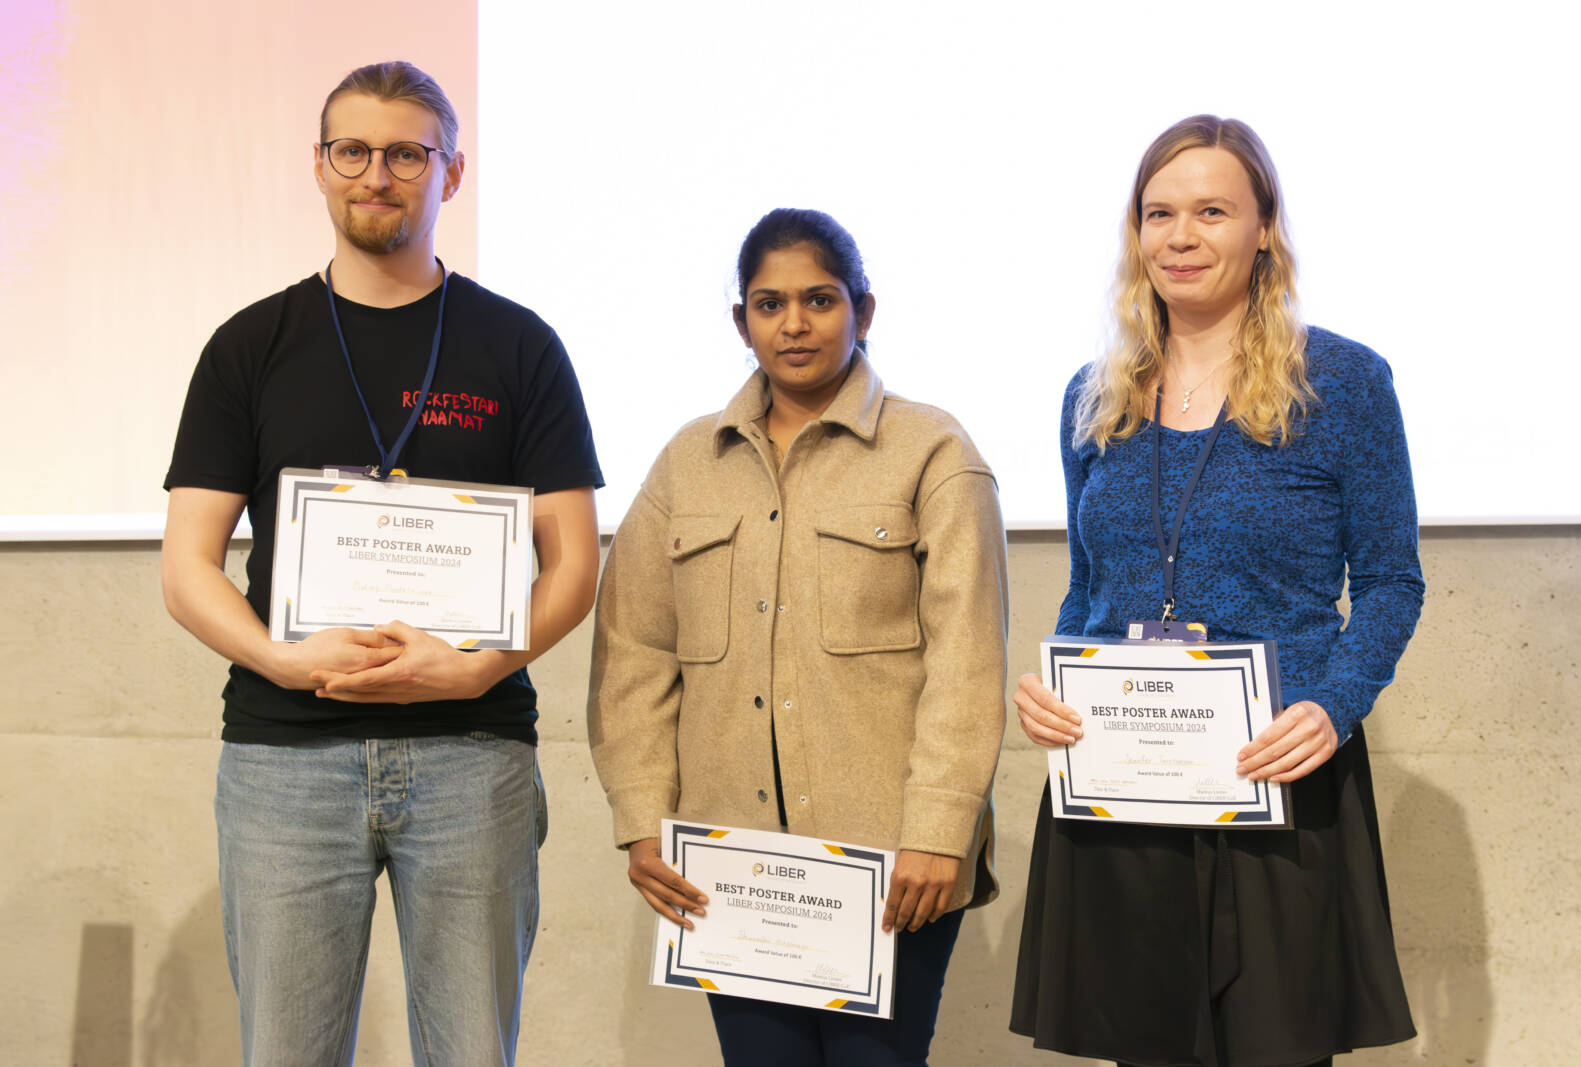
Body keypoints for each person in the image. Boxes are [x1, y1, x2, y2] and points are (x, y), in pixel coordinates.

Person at [161, 61, 603, 1065]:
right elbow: (188, 567)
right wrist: (282, 657)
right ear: (319, 167)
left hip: (472, 749)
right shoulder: (250, 345)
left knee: (471, 1052)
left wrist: (480, 662)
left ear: (450, 174)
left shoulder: (520, 346)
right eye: (353, 150)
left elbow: (572, 564)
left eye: (408, 151)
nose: (378, 174)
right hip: (285, 756)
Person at [1009, 115, 1423, 1067]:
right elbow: (1090, 587)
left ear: (1265, 228)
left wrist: (1335, 703)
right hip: (1126, 794)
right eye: (1160, 213)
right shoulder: (1093, 394)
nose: (1181, 236)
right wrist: (1056, 684)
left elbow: (1394, 581)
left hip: (1276, 787)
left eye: (1211, 211)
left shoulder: (1344, 383)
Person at [586, 208, 1007, 1065]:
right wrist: (641, 819)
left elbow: (968, 660)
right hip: (729, 867)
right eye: (769, 304)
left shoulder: (932, 450)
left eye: (819, 299)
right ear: (740, 320)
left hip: (889, 864)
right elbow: (633, 652)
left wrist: (938, 828)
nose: (795, 324)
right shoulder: (684, 464)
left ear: (864, 309)